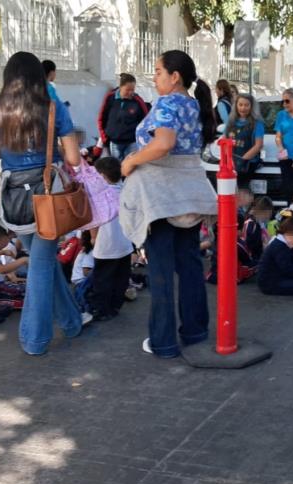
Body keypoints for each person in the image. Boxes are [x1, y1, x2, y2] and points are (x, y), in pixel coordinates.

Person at [0, 51, 82, 355]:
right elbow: (74, 157)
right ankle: (35, 339)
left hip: (13, 197)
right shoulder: (53, 108)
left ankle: (72, 322)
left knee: (41, 260)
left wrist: (6, 149)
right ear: (40, 76)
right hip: (48, 195)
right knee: (41, 263)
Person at [117, 51, 218, 359]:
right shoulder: (194, 104)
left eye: (159, 71)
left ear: (175, 77)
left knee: (160, 272)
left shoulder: (167, 103)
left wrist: (131, 160)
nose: (155, 76)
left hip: (160, 195)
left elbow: (164, 143)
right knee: (189, 266)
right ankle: (195, 331)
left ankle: (163, 342)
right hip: (188, 192)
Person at [87, 157, 133, 322]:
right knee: (121, 278)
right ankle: (115, 306)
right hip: (125, 244)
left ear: (102, 176)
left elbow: (94, 220)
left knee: (102, 279)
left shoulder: (100, 195)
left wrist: (93, 237)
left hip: (105, 245)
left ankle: (101, 309)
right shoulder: (126, 190)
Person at [97, 73, 150, 161]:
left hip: (131, 142)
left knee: (130, 168)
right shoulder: (110, 98)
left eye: (132, 90)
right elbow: (102, 118)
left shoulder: (138, 101)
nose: (130, 93)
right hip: (114, 142)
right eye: (127, 90)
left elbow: (145, 122)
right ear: (121, 87)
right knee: (116, 168)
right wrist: (104, 137)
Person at [224, 93, 265, 188]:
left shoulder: (257, 123)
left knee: (242, 190)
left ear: (252, 107)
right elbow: (224, 141)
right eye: (240, 105)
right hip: (230, 163)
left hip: (247, 164)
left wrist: (242, 160)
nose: (243, 108)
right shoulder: (230, 122)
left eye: (246, 105)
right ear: (236, 105)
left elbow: (258, 145)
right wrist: (229, 159)